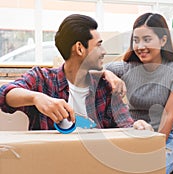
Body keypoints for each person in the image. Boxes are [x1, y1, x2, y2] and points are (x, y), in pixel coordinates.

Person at [0, 14, 152, 131]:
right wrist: (36, 98)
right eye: (98, 45)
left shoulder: (105, 87)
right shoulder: (42, 80)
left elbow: (126, 124)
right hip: (50, 166)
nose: (104, 51)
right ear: (79, 48)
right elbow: (3, 95)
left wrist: (138, 127)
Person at [105, 13, 173, 174]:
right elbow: (97, 70)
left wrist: (153, 146)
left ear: (163, 40)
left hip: (162, 138)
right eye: (136, 40)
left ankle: (164, 171)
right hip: (129, 134)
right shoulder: (126, 67)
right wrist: (111, 76)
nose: (140, 46)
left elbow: (169, 114)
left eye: (147, 39)